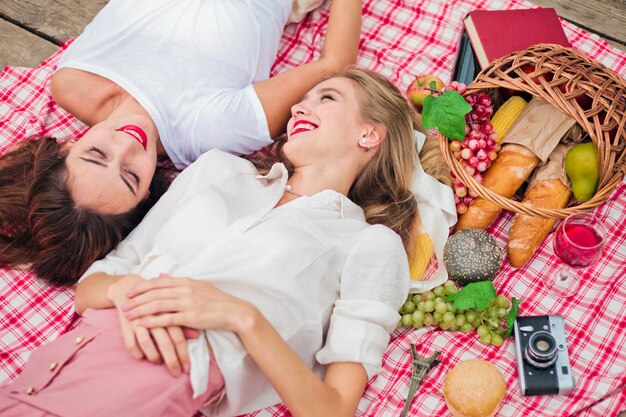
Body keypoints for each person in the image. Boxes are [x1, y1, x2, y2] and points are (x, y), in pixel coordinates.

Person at [0, 69, 450, 417]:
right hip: (56, 361)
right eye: (302, 99)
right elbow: (98, 283)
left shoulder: (369, 244)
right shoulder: (217, 170)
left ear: (368, 134)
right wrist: (123, 289)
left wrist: (242, 318)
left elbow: (331, 406)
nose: (298, 107)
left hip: (158, 377)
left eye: (325, 97)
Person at [0, 0, 361, 285]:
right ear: (147, 196)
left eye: (96, 154)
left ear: (65, 149)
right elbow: (334, 64)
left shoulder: (74, 84)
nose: (127, 145)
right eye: (130, 176)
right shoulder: (210, 131)